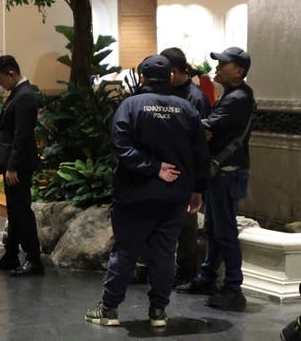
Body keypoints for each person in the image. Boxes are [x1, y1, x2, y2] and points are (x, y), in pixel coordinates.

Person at [85, 54, 209, 328]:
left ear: (142, 77)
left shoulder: (130, 106)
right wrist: (198, 188)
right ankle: (158, 312)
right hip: (174, 195)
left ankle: (108, 310)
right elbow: (201, 152)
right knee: (165, 253)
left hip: (135, 194)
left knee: (126, 252)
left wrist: (153, 168)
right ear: (169, 76)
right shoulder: (186, 109)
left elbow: (121, 147)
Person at [176, 47, 255, 309]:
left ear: (239, 71)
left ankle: (233, 288)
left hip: (227, 173)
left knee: (225, 230)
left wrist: (194, 124)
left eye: (224, 64)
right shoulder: (232, 95)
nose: (218, 67)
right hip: (221, 172)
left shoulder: (239, 98)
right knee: (214, 228)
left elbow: (206, 128)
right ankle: (208, 277)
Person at [0, 55, 43, 276]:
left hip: (19, 166)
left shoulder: (25, 96)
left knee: (22, 211)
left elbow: (21, 135)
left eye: (1, 78)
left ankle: (33, 258)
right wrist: (2, 163)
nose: (0, 83)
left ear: (11, 73)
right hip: (12, 163)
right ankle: (11, 255)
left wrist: (12, 167)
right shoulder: (17, 94)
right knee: (14, 210)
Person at [161, 47, 212, 287]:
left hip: (187, 171)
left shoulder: (195, 97)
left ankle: (186, 269)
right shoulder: (166, 93)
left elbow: (201, 141)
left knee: (187, 223)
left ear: (173, 71)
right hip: (166, 169)